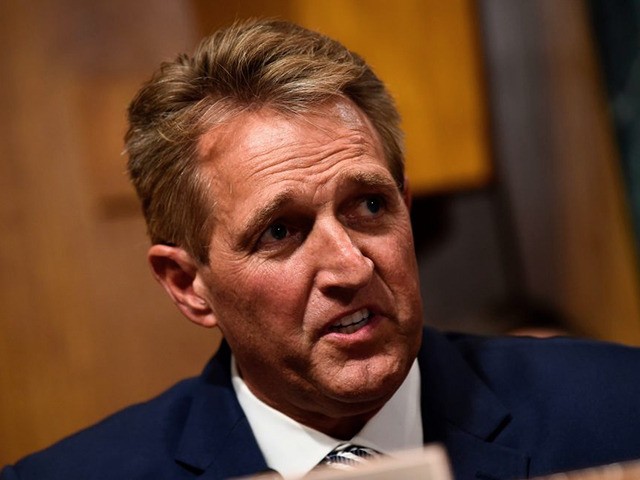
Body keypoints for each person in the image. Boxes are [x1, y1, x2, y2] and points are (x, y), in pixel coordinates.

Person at [3, 19, 640, 480]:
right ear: (187, 284)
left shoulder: (617, 410)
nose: (350, 265)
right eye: (280, 231)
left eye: (369, 206)